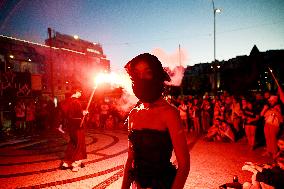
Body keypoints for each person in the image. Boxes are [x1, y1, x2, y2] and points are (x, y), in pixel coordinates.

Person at [121, 53, 190, 189]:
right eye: (137, 73)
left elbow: (184, 165)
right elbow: (130, 159)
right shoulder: (134, 114)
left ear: (156, 75)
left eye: (147, 73)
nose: (142, 78)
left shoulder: (170, 113)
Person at [60, 88, 88, 172]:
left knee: (72, 143)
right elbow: (75, 115)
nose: (81, 93)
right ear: (76, 91)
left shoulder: (65, 102)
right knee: (79, 144)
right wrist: (83, 113)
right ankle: (76, 164)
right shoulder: (76, 101)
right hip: (77, 126)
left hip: (70, 126)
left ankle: (66, 162)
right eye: (80, 91)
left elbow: (67, 114)